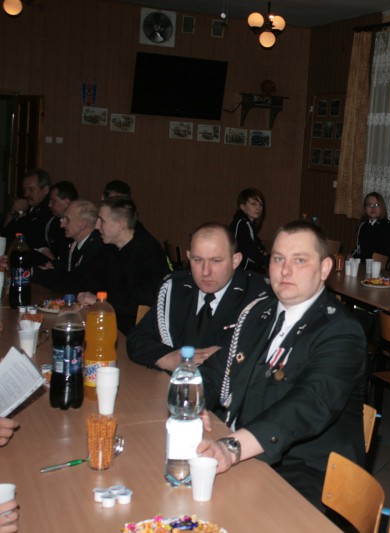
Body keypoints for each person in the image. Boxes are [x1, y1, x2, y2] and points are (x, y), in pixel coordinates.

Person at [197, 220, 366, 509]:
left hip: (307, 472)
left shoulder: (341, 332)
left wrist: (232, 446)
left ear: (324, 268)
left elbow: (308, 405)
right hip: (246, 454)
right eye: (278, 259)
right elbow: (217, 370)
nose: (285, 271)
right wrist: (194, 400)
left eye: (299, 260)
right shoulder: (258, 312)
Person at [127, 223, 269, 372]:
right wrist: (167, 358)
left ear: (235, 260)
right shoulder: (176, 289)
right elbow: (137, 339)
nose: (205, 272)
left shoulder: (258, 298)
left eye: (216, 261)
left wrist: (223, 358)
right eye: (198, 260)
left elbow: (262, 358)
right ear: (189, 257)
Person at [77, 196, 169, 334]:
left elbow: (143, 304)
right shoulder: (111, 247)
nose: (96, 226)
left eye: (102, 220)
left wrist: (100, 300)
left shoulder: (149, 253)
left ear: (120, 225)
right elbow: (92, 279)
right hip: (111, 320)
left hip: (134, 331)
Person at [34, 199, 106, 294]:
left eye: (67, 219)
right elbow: (66, 266)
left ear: (83, 224)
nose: (62, 224)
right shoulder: (76, 243)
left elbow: (78, 285)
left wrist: (40, 274)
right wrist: (53, 265)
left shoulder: (97, 249)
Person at [2, 169, 54, 265]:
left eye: (31, 189)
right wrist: (12, 213)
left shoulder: (50, 210)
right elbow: (5, 234)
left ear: (45, 190)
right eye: (24, 190)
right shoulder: (28, 207)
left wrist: (23, 213)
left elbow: (33, 236)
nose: (26, 194)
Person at [352, 192, 390, 260]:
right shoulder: (363, 226)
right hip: (363, 262)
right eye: (369, 205)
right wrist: (352, 255)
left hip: (379, 263)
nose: (373, 208)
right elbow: (359, 248)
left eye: (377, 205)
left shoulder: (388, 228)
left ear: (382, 208)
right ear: (365, 209)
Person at [230, 188, 268, 272]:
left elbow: (258, 247)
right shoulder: (241, 223)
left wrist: (263, 252)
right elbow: (251, 253)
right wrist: (270, 260)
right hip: (241, 272)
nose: (258, 208)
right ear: (243, 206)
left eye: (261, 204)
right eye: (253, 204)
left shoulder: (248, 224)